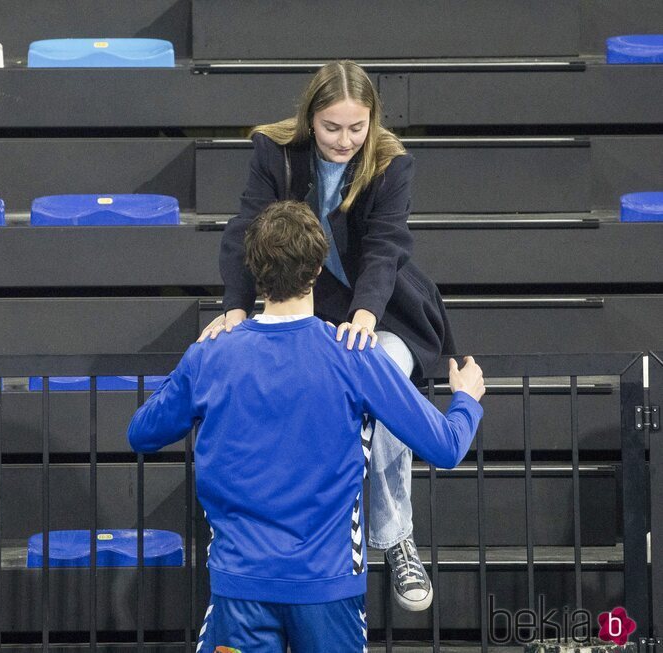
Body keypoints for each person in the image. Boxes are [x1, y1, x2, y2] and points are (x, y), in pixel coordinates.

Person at [129, 201, 484, 652]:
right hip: (328, 592)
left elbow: (142, 431)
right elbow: (447, 446)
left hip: (241, 589)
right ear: (318, 268)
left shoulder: (211, 355)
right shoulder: (355, 356)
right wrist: (466, 400)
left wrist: (193, 360)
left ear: (254, 270)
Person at [201, 60, 454, 611]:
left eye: (356, 128)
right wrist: (237, 308)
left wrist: (365, 315)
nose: (344, 140)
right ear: (310, 119)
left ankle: (395, 536)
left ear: (373, 122)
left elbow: (386, 247)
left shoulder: (391, 162)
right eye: (331, 128)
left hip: (385, 310)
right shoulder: (276, 151)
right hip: (307, 307)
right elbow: (246, 231)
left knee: (380, 368)